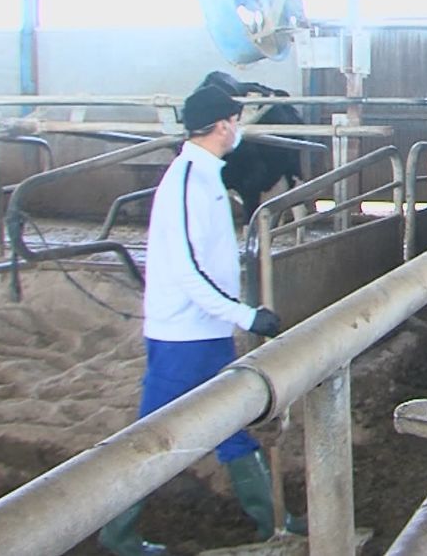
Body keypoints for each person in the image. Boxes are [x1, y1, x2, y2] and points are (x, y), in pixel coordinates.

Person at [99, 84, 304, 556]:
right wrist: (246, 315)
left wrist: (234, 314)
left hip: (203, 331)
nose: (240, 127)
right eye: (237, 119)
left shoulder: (205, 175)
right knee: (154, 438)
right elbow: (188, 271)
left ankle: (274, 522)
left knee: (229, 424)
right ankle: (117, 533)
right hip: (184, 336)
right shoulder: (189, 179)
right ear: (224, 125)